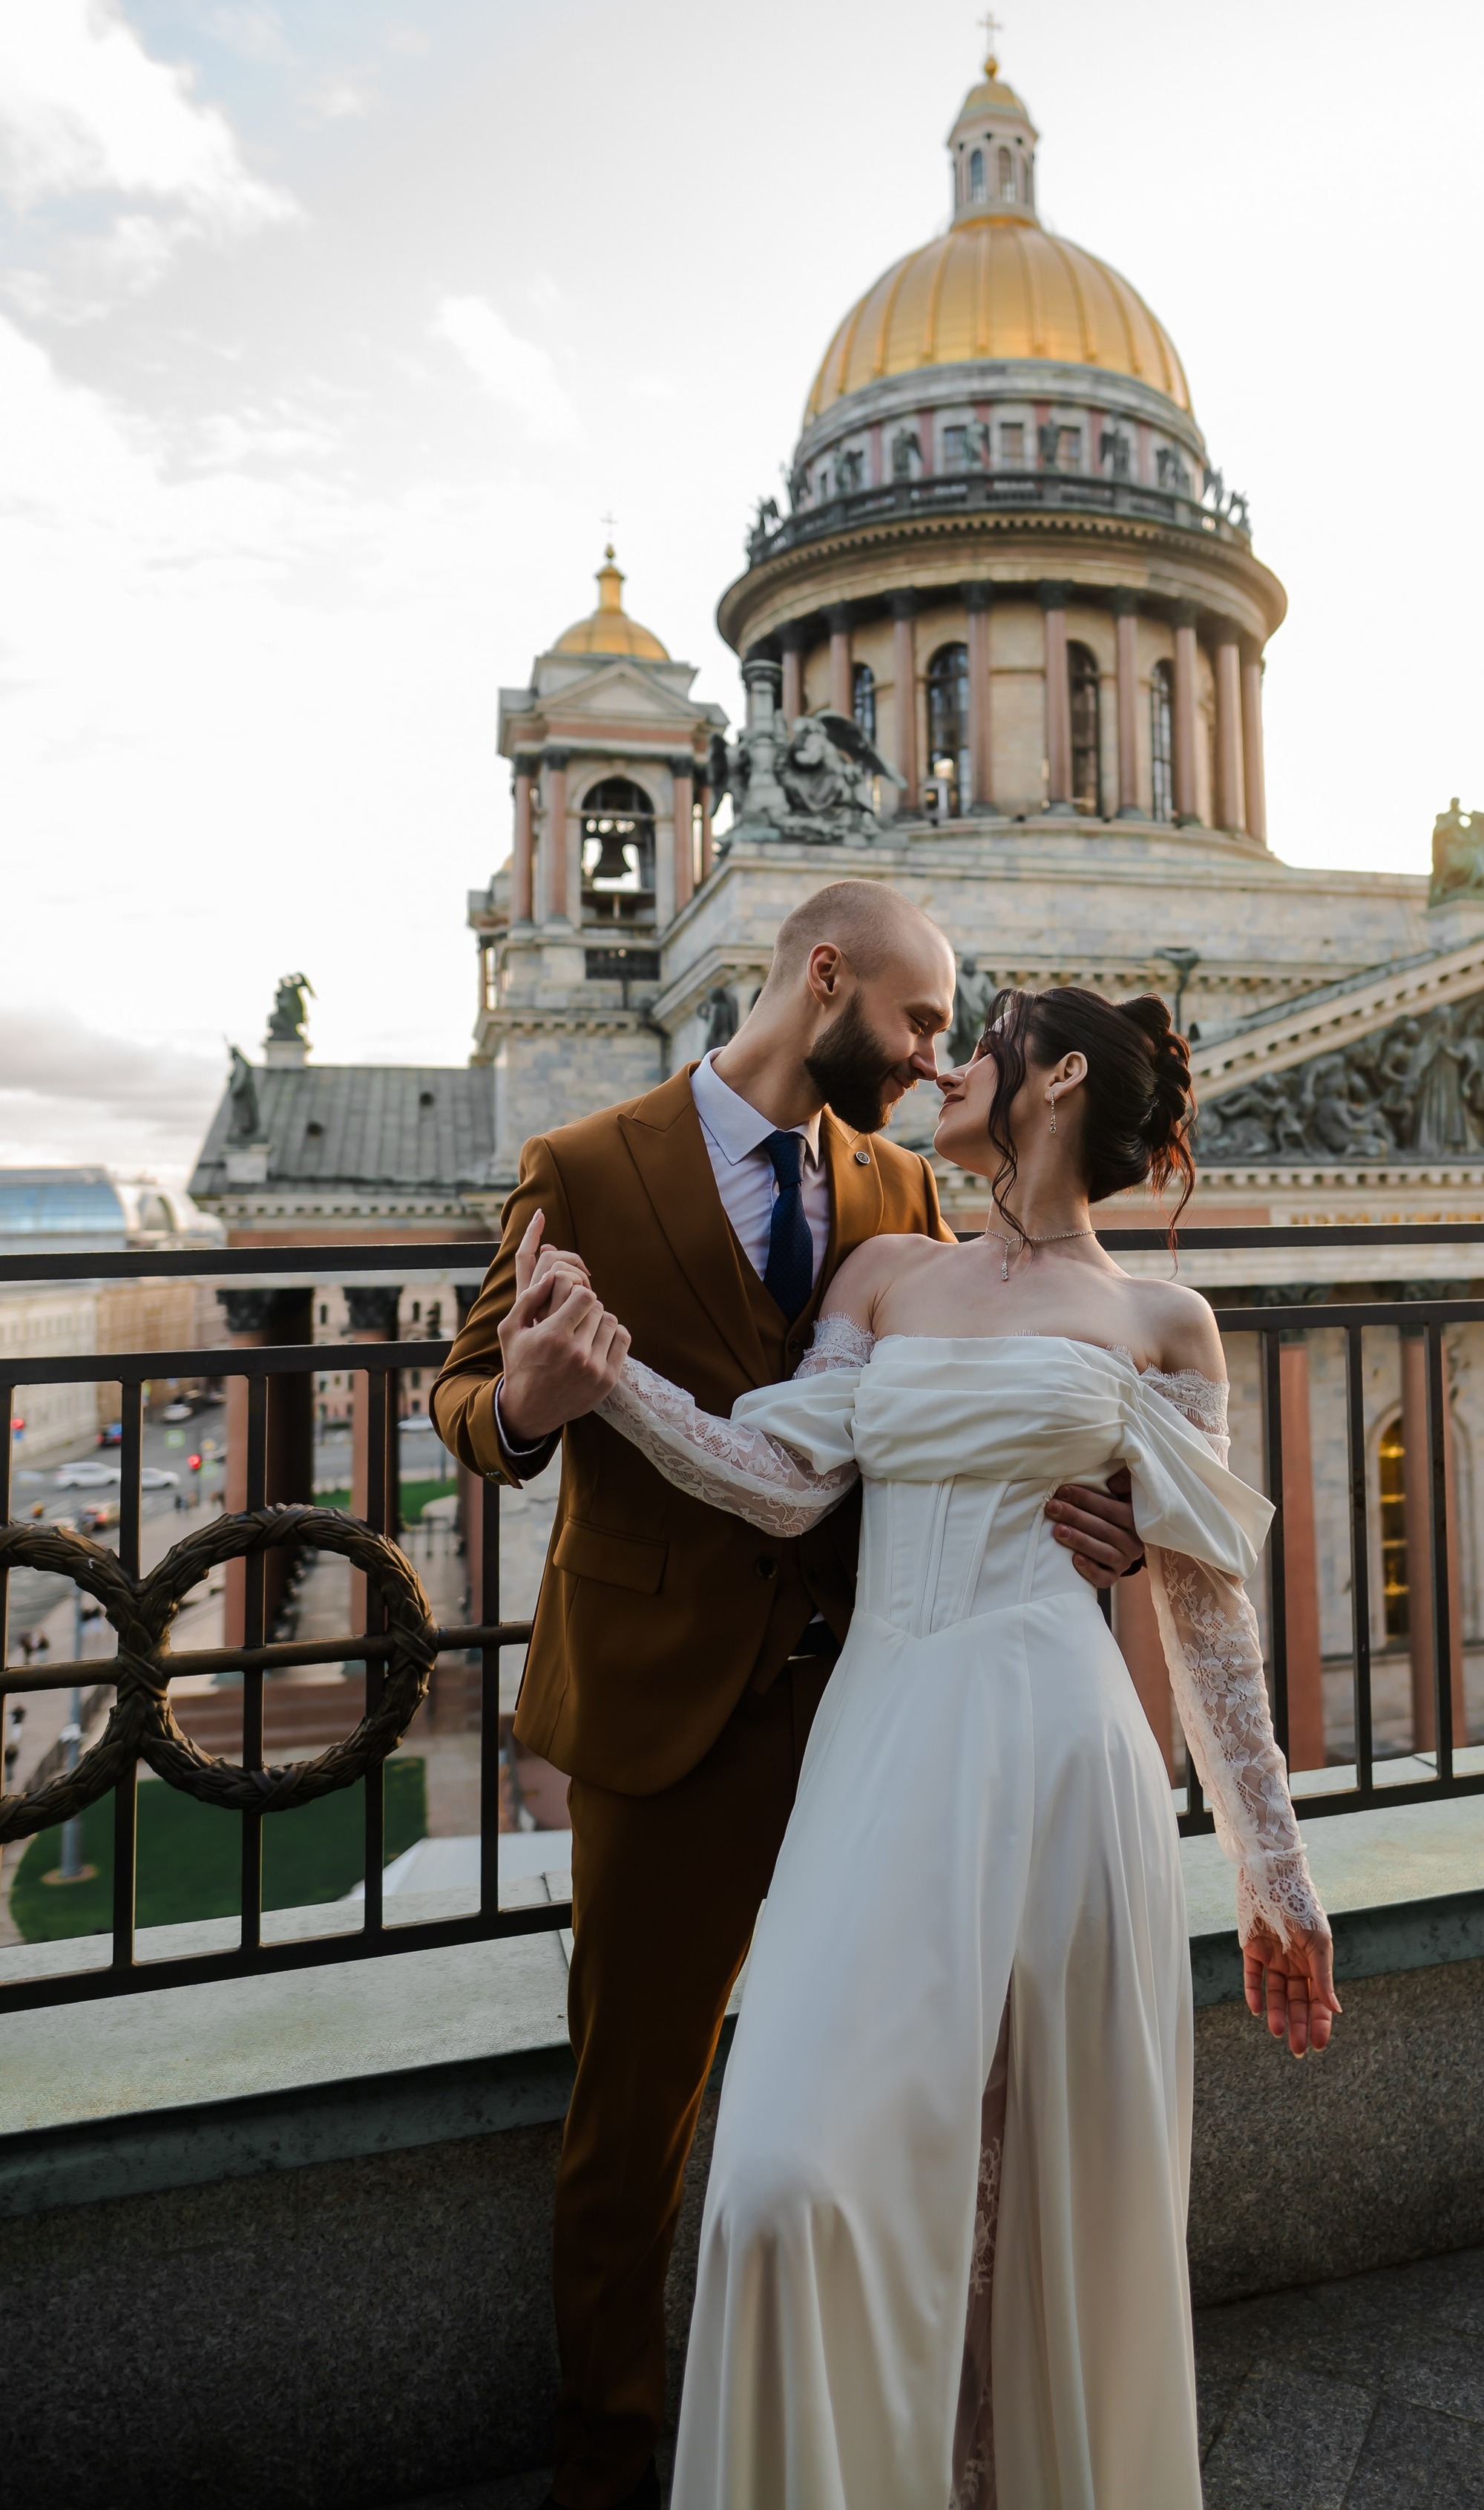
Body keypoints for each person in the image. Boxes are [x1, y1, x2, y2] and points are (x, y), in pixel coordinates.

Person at [518, 983, 1339, 2509]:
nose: (945, 1064)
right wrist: (605, 1381)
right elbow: (774, 1479)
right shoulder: (887, 1268)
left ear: (1057, 1079)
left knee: (1051, 2197)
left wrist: (1271, 1878)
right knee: (775, 2184)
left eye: (984, 1038)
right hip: (884, 1737)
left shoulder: (1166, 1320)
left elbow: (1211, 1629)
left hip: (1061, 1752)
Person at [430, 882, 1150, 2510]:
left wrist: (1090, 1504)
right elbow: (465, 1396)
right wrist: (534, 1405)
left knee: (902, 2116)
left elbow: (984, 1383)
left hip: (881, 1720)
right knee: (634, 2130)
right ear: (822, 976)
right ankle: (610, 2466)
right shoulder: (587, 1162)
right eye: (909, 1021)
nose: (927, 1057)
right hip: (664, 1721)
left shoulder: (901, 1187)